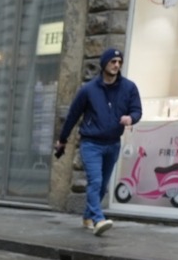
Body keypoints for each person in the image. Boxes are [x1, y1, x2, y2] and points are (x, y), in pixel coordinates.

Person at [55, 48, 141, 236]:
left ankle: (88, 215)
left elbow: (137, 110)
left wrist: (131, 118)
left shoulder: (129, 87)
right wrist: (62, 140)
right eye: (113, 62)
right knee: (95, 181)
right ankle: (98, 219)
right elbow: (72, 116)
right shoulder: (88, 90)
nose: (117, 65)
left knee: (103, 186)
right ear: (104, 64)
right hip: (91, 143)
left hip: (113, 144)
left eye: (119, 62)